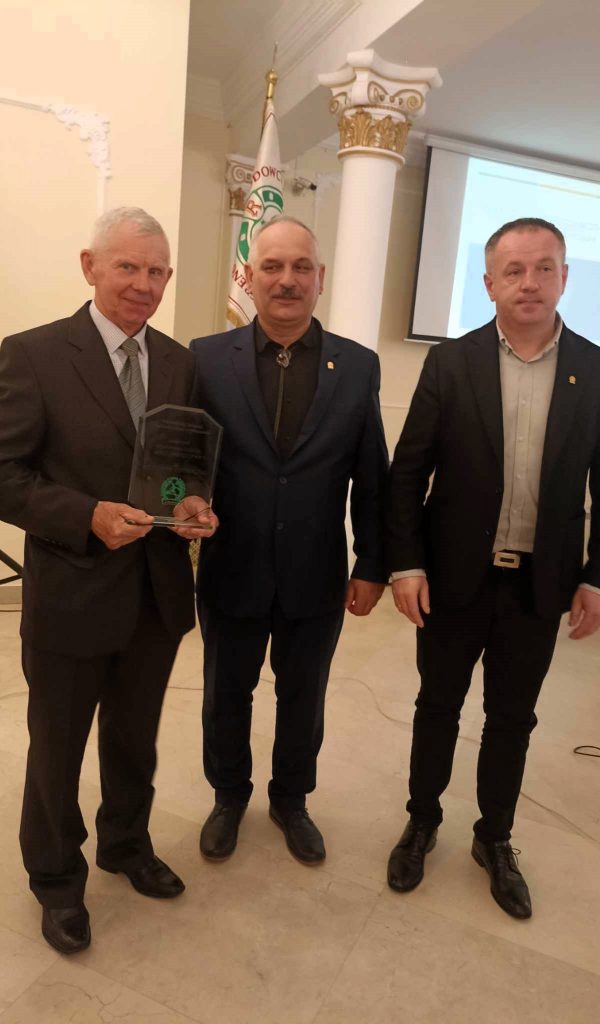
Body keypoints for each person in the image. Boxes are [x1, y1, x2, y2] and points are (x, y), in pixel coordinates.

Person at [0, 207, 217, 954]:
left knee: (134, 743)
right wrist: (85, 516)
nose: (143, 284)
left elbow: (174, 471)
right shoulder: (36, 354)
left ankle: (126, 845)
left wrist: (191, 505)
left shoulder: (179, 362)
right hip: (71, 594)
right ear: (90, 266)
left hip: (156, 595)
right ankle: (55, 880)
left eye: (156, 271)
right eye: (127, 267)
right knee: (57, 750)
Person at [385, 217, 600, 918]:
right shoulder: (450, 363)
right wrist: (405, 564)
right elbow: (408, 473)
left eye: (544, 268)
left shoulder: (599, 369)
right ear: (489, 283)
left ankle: (493, 837)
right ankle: (422, 821)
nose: (530, 282)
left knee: (512, 718)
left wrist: (599, 577)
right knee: (437, 706)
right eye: (514, 270)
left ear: (564, 277)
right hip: (452, 580)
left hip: (538, 586)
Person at [190, 216, 388, 865]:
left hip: (316, 572)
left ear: (319, 278)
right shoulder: (205, 358)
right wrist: (177, 507)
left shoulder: (357, 367)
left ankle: (291, 799)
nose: (286, 279)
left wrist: (372, 564)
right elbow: (183, 461)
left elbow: (372, 473)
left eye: (301, 266)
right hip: (231, 566)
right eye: (271, 266)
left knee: (303, 697)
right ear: (247, 277)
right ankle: (228, 796)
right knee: (226, 693)